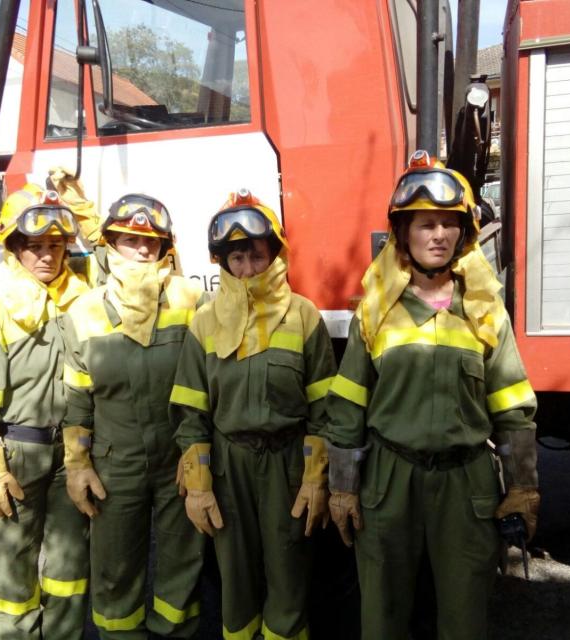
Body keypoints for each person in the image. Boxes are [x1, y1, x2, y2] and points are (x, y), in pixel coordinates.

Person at [323, 151, 540, 640]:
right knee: (382, 611)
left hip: (467, 485)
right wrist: (341, 486)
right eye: (425, 224)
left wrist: (523, 486)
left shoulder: (485, 311)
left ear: (464, 234)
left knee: (466, 614)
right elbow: (347, 408)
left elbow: (512, 407)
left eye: (449, 224)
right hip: (389, 479)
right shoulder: (375, 313)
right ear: (403, 233)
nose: (438, 235)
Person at [170, 189, 337, 640]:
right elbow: (192, 412)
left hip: (287, 465)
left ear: (275, 256)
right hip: (228, 467)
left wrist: (316, 476)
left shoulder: (304, 317)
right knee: (236, 577)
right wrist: (198, 485)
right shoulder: (204, 322)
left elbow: (324, 410)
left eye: (256, 256)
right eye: (236, 258)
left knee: (289, 572)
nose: (247, 269)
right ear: (222, 262)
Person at [0, 185, 91, 639]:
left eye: (55, 245)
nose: (46, 256)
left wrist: (79, 205)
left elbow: (134, 252)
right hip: (14, 457)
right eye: (34, 247)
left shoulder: (81, 297)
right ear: (13, 249)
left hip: (70, 456)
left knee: (70, 570)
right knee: (13, 579)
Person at [60, 193, 206, 639]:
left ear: (166, 248)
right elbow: (77, 400)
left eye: (152, 241)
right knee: (114, 569)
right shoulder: (83, 311)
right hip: (114, 464)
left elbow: (206, 383)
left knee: (183, 565)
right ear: (108, 243)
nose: (143, 250)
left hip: (176, 459)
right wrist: (78, 464)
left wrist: (200, 457)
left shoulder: (190, 299)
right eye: (130, 240)